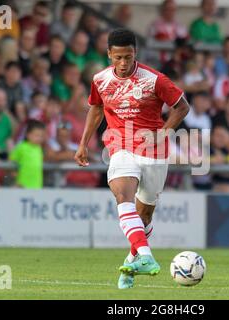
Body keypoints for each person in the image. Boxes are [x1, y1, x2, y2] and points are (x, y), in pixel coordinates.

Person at [74, 29, 189, 289]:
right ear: (109, 55)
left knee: (144, 215)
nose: (124, 64)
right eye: (118, 58)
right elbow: (96, 108)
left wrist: (164, 132)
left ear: (135, 53)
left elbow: (182, 106)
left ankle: (132, 261)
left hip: (154, 153)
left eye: (128, 57)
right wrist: (83, 143)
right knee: (122, 195)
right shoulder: (100, 79)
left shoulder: (154, 79)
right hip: (120, 146)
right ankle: (146, 256)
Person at [9, 120, 45, 189]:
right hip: (22, 184)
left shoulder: (39, 148)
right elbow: (12, 159)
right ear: (28, 134)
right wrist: (14, 174)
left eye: (41, 136)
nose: (39, 138)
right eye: (36, 135)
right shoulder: (21, 147)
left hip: (37, 185)